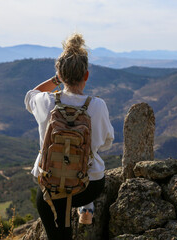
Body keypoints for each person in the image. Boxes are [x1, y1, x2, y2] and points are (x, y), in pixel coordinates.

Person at [24, 33, 114, 239]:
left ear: (60, 75)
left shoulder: (45, 101)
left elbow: (30, 94)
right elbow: (107, 143)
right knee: (84, 169)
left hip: (51, 184)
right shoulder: (97, 106)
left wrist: (56, 79)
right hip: (88, 186)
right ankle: (86, 208)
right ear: (86, 75)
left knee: (50, 203)